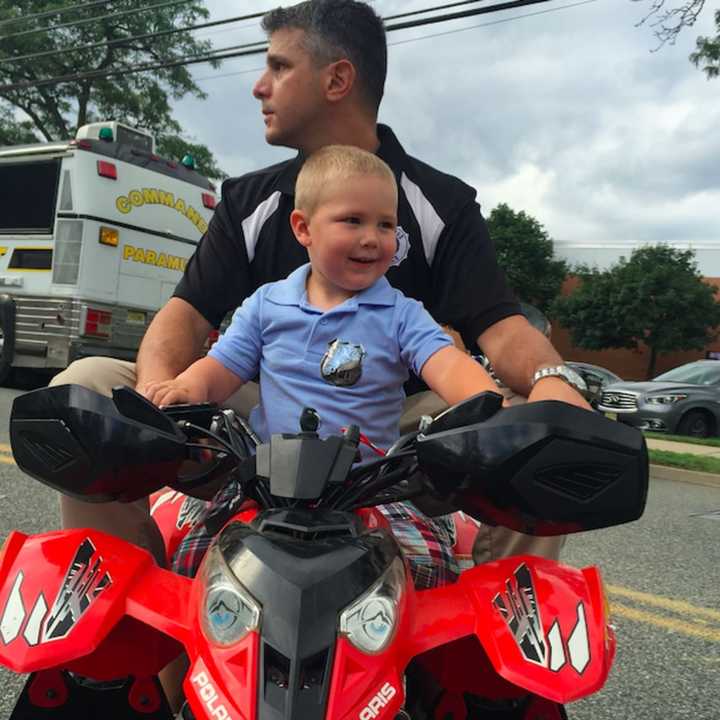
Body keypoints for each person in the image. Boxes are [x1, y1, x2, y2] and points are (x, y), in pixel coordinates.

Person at [53, 0, 590, 570]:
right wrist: (160, 395)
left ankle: (495, 636)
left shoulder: (442, 202)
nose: (260, 87)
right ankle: (133, 616)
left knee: (540, 427)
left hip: (400, 421)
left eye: (279, 67)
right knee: (86, 385)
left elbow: (500, 328)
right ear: (303, 229)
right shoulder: (248, 200)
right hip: (263, 409)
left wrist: (555, 384)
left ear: (337, 79)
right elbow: (187, 314)